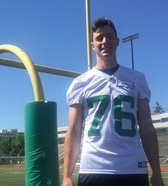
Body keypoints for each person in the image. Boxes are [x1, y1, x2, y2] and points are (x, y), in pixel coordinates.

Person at [62, 18, 164, 186]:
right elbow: (73, 132)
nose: (105, 41)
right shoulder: (80, 83)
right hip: (93, 169)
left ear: (117, 41)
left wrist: (157, 172)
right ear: (92, 45)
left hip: (133, 168)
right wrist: (67, 176)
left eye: (109, 36)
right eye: (99, 38)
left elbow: (146, 127)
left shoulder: (137, 79)